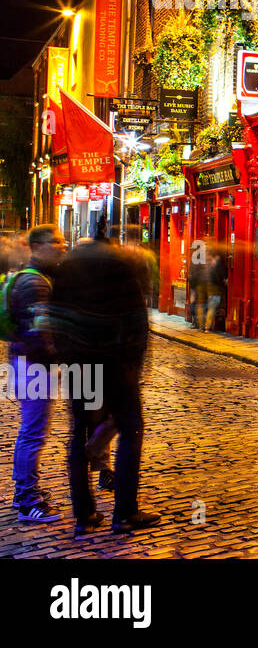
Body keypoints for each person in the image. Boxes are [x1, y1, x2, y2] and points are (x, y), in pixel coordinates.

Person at [43, 237, 158, 536]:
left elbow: (56, 319)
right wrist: (135, 364)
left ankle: (84, 515)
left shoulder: (67, 269)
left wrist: (67, 358)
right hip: (118, 364)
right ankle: (125, 512)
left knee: (80, 432)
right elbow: (137, 320)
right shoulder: (121, 265)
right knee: (130, 429)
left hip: (81, 365)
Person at [7, 226, 66, 522]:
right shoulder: (35, 283)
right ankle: (27, 500)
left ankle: (29, 492)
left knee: (32, 432)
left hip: (28, 362)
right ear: (37, 246)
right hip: (34, 367)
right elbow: (40, 332)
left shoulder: (35, 277)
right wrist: (59, 361)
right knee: (32, 434)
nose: (62, 246)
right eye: (55, 242)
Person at [202, 249, 227, 332]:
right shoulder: (216, 261)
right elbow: (221, 271)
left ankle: (206, 324)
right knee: (213, 305)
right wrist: (224, 279)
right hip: (215, 286)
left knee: (210, 305)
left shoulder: (206, 262)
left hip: (207, 286)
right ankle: (207, 327)